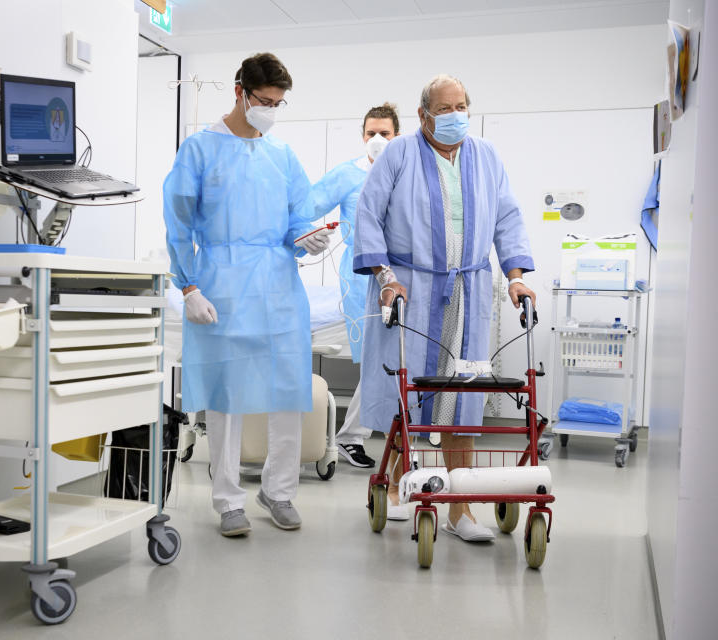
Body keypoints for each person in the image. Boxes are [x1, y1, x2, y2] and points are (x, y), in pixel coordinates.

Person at [353, 74, 536, 540]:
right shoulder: (398, 154)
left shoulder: (486, 156)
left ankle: (460, 511)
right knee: (407, 395)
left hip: (470, 290)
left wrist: (515, 277)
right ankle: (393, 487)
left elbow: (508, 216)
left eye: (462, 106)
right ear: (423, 115)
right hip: (411, 290)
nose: (456, 115)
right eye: (445, 108)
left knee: (464, 401)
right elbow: (369, 213)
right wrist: (386, 278)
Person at [163, 53, 332, 537]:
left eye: (279, 103)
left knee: (286, 391)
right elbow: (178, 223)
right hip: (222, 285)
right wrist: (189, 284)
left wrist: (308, 238)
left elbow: (298, 217)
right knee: (226, 395)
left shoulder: (282, 156)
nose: (271, 110)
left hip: (278, 287)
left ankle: (278, 491)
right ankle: (228, 498)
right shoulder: (199, 150)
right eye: (264, 100)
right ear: (240, 91)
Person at [310, 103, 400, 469]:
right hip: (360, 275)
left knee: (396, 358)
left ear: (398, 136)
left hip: (403, 274)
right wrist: (304, 236)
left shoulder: (406, 171)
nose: (377, 140)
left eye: (385, 133)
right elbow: (308, 205)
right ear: (362, 136)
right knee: (377, 357)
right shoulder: (347, 174)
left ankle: (372, 433)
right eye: (371, 133)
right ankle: (351, 436)